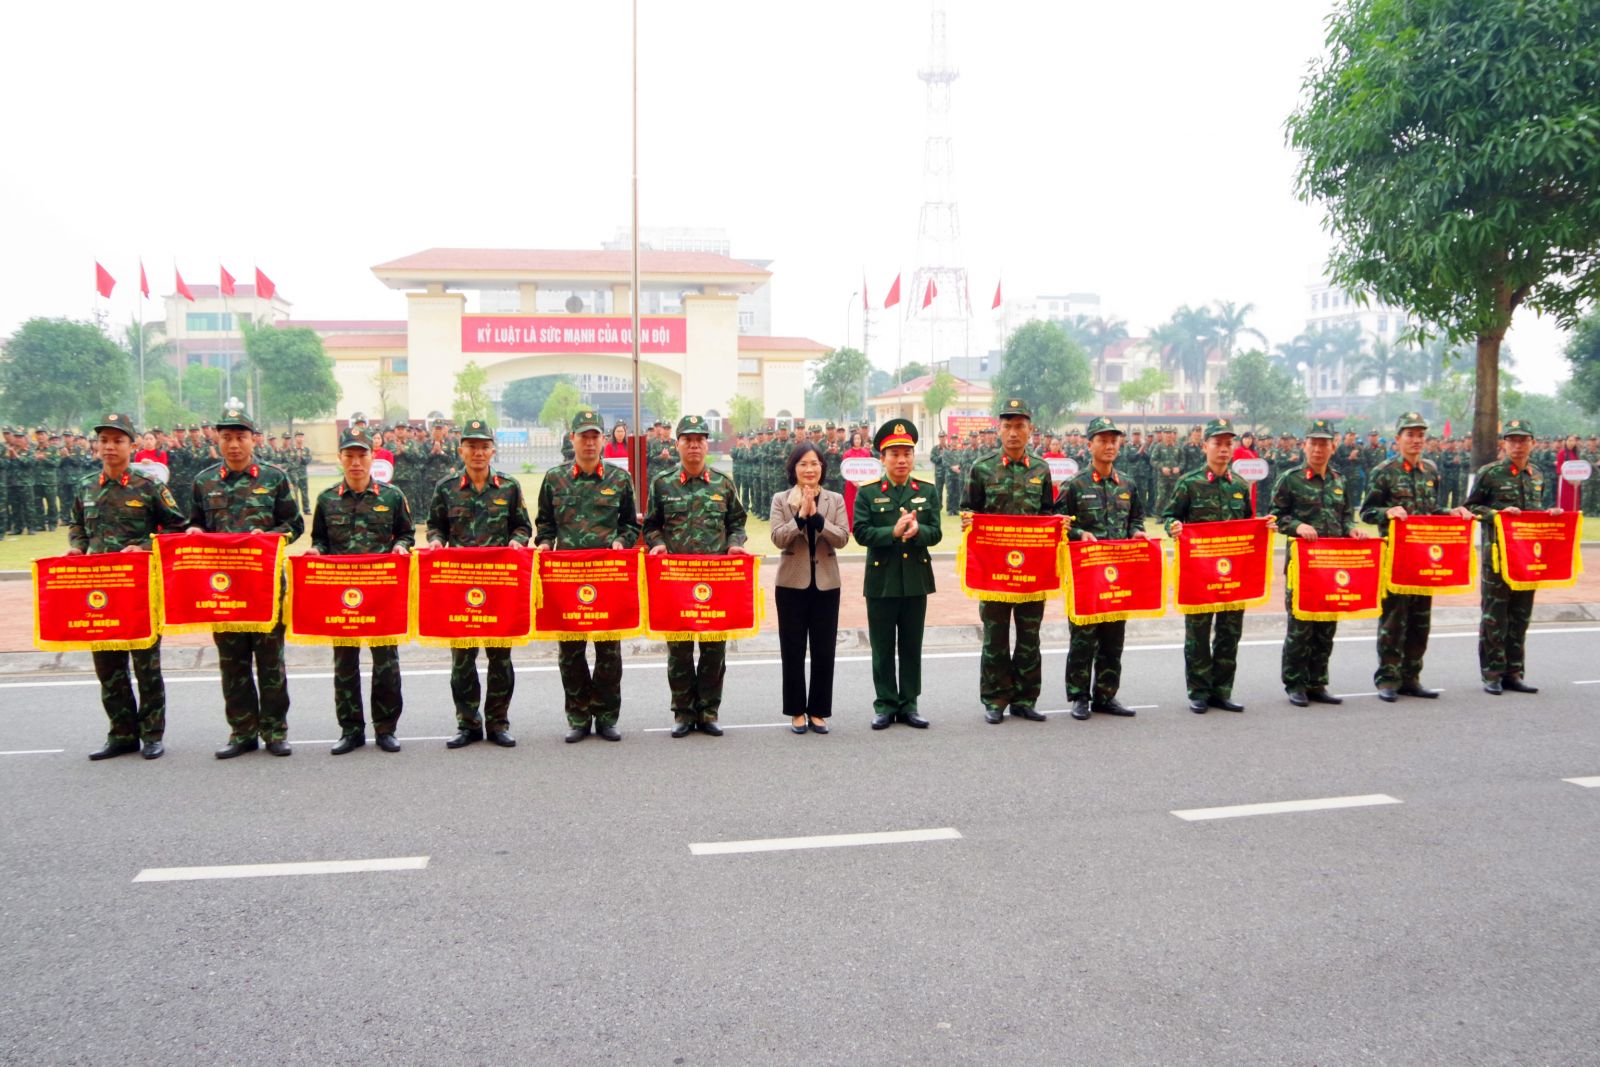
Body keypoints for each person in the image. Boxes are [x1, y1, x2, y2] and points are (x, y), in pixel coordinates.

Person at [68, 413, 188, 760]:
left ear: (132, 446)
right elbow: (77, 525)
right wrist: (77, 546)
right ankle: (121, 733)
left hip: (140, 589)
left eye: (118, 440)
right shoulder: (86, 486)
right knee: (108, 666)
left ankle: (151, 734)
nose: (110, 447)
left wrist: (145, 546)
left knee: (146, 665)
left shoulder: (148, 485)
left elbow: (177, 528)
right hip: (100, 592)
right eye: (104, 440)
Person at [188, 407, 305, 758]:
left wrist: (269, 537)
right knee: (232, 663)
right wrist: (193, 532)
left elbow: (294, 525)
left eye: (240, 437)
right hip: (223, 589)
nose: (234, 444)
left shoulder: (274, 478)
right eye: (226, 437)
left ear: (254, 439)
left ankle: (275, 731)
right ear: (218, 441)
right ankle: (242, 732)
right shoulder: (204, 482)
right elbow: (194, 524)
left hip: (265, 588)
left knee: (270, 663)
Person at [534, 409, 641, 743]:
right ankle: (578, 717)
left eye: (595, 436)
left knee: (609, 651)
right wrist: (545, 543)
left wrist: (622, 541)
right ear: (573, 439)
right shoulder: (555, 478)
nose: (590, 442)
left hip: (607, 577)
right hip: (567, 579)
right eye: (584, 436)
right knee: (571, 652)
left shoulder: (619, 479)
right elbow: (544, 523)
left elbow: (630, 523)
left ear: (604, 440)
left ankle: (607, 717)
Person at [306, 426, 414, 754]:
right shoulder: (327, 499)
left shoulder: (392, 496)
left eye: (361, 455)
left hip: (382, 594)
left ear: (372, 457)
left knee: (386, 664)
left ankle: (386, 728)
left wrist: (400, 546)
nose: (355, 462)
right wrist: (316, 551)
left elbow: (406, 534)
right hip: (342, 596)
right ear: (340, 458)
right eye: (349, 455)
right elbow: (320, 539)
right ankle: (350, 730)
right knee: (344, 664)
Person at [426, 419, 533, 748]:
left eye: (484, 446)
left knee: (500, 659)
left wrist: (516, 541)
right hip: (460, 587)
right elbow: (435, 526)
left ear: (492, 451)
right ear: (461, 450)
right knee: (462, 660)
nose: (478, 452)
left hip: (499, 586)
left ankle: (498, 722)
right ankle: (468, 723)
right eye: (471, 446)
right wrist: (435, 541)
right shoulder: (446, 488)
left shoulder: (509, 487)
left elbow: (523, 526)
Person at [643, 414, 749, 736]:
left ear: (706, 445)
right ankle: (683, 713)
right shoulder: (662, 484)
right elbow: (651, 525)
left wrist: (735, 544)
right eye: (687, 440)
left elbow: (737, 523)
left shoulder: (722, 483)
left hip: (714, 582)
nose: (694, 446)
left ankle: (709, 711)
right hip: (676, 583)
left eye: (699, 440)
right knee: (679, 650)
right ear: (677, 445)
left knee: (714, 650)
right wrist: (658, 544)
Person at [1359, 411, 1473, 702]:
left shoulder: (1431, 470)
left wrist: (1451, 512)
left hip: (1424, 558)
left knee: (1420, 621)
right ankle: (1388, 679)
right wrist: (1388, 511)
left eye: (1421, 435)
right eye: (1410, 435)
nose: (1416, 440)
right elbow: (1367, 512)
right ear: (1398, 439)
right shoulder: (1384, 471)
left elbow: (1432, 509)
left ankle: (1411, 677)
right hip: (1396, 559)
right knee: (1393, 620)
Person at [962, 397, 1057, 724]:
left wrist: (1058, 525)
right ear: (999, 429)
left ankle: (1025, 700)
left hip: (1032, 571)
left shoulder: (1041, 469)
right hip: (995, 572)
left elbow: (1048, 512)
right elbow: (968, 507)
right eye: (1007, 426)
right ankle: (995, 699)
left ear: (1030, 430)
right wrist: (967, 519)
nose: (1013, 432)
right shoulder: (982, 467)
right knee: (996, 637)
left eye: (1019, 426)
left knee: (1030, 637)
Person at [1270, 418, 1372, 708]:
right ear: (1304, 446)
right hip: (1303, 567)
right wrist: (1298, 525)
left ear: (1333, 447)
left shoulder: (1340, 480)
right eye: (1313, 443)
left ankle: (1318, 682)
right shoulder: (1290, 479)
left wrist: (1352, 530)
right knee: (1301, 626)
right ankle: (1295, 683)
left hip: (1333, 565)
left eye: (1324, 444)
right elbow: (1275, 516)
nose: (1318, 449)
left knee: (1326, 626)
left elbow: (1346, 516)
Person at [1059, 416, 1151, 719]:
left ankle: (1106, 695)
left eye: (1114, 440)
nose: (1109, 445)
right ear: (1090, 445)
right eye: (1103, 440)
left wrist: (1136, 532)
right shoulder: (1075, 485)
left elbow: (1136, 518)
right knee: (1083, 638)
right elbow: (1058, 524)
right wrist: (1078, 534)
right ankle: (1079, 696)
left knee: (1113, 638)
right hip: (1086, 574)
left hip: (1118, 574)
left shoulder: (1128, 484)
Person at [1163, 417, 1256, 714]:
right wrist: (1173, 526)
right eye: (1218, 443)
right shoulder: (1189, 483)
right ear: (1205, 446)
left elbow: (1248, 525)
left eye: (1229, 443)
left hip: (1232, 575)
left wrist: (1263, 528)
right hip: (1199, 573)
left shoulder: (1239, 485)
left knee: (1230, 633)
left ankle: (1222, 691)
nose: (1224, 449)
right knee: (1198, 635)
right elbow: (1169, 516)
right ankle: (1199, 691)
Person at [853, 419, 942, 730]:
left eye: (907, 453)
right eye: (894, 454)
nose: (901, 460)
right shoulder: (868, 492)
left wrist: (919, 532)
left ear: (914, 456)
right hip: (882, 580)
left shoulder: (927, 490)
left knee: (911, 646)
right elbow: (861, 533)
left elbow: (936, 532)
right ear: (883, 458)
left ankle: (909, 704)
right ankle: (885, 704)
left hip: (916, 579)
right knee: (882, 647)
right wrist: (892, 532)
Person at [1465, 418, 1557, 696]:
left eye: (1523, 440)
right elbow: (1471, 508)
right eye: (1513, 440)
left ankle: (1514, 673)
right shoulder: (1490, 473)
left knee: (1520, 616)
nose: (1518, 445)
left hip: (1527, 558)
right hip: (1498, 557)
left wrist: (1550, 515)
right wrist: (1496, 514)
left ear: (1533, 443)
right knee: (1495, 617)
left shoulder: (1537, 474)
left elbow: (1536, 512)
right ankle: (1492, 674)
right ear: (1504, 444)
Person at [769, 441, 848, 734]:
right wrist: (800, 517)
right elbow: (778, 538)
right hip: (791, 584)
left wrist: (816, 518)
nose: (809, 469)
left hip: (827, 584)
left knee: (824, 650)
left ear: (822, 468)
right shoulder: (781, 500)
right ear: (794, 469)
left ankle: (818, 711)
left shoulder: (835, 499)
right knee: (792, 649)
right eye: (803, 464)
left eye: (815, 463)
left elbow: (842, 538)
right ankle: (796, 711)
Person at [841, 429, 874, 526]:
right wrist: (854, 482)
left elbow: (869, 468)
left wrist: (862, 482)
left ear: (861, 440)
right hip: (850, 484)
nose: (857, 440)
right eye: (855, 439)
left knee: (863, 504)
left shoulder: (866, 453)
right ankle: (850, 527)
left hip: (863, 484)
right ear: (852, 440)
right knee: (850, 506)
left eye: (859, 439)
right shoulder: (847, 454)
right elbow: (845, 469)